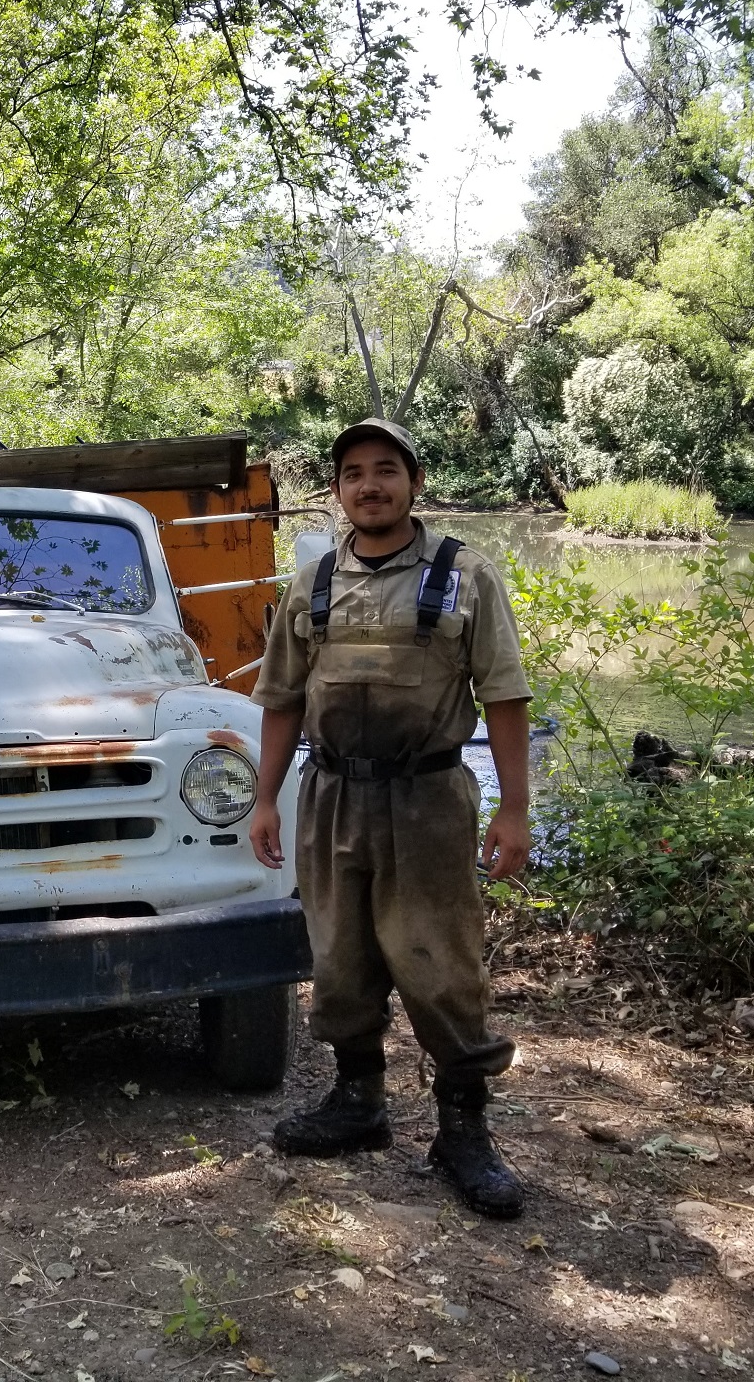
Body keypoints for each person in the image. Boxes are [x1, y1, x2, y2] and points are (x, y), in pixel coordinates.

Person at [248, 420, 534, 1218]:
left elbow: (505, 696)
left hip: (428, 799)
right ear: (337, 490)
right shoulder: (311, 584)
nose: (369, 486)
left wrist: (515, 809)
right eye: (353, 473)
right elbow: (281, 701)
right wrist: (265, 798)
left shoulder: (466, 575)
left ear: (414, 482)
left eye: (385, 470)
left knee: (441, 964)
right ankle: (358, 1103)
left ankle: (463, 1131)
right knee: (339, 958)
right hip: (331, 796)